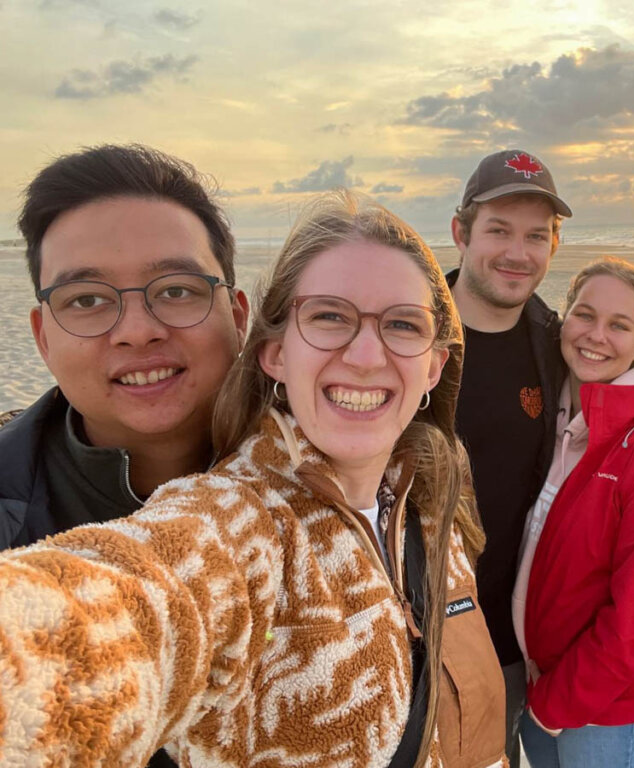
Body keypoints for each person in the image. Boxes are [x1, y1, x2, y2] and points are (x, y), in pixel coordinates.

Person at [0, 190, 506, 768]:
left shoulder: (432, 488)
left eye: (402, 324)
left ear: (434, 366)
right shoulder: (239, 524)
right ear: (273, 354)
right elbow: (109, 620)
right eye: (329, 317)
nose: (367, 355)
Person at [0, 143, 250, 768]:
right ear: (42, 336)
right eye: (86, 300)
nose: (138, 329)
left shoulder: (340, 496)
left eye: (177, 289)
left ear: (239, 315)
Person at [510, 258, 634, 767]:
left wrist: (558, 703)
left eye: (619, 325)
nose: (596, 335)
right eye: (585, 315)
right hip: (542, 683)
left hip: (608, 711)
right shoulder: (555, 421)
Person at [448, 148, 571, 766]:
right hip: (413, 638)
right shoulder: (401, 334)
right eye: (498, 230)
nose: (517, 253)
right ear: (461, 234)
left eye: (536, 236)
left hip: (515, 639)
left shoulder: (559, 347)